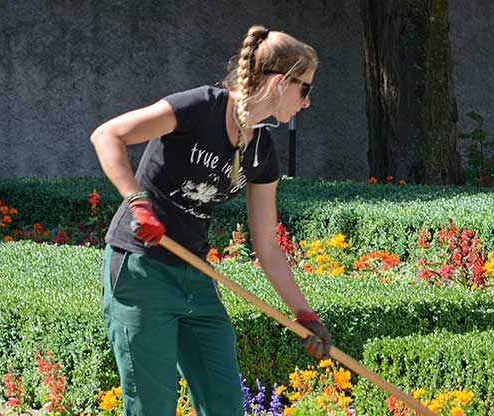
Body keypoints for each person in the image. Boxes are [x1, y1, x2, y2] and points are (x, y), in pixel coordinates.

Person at [89, 25, 330, 415]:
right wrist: (137, 202)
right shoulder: (200, 108)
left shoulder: (262, 151)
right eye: (306, 90)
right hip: (142, 271)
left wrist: (305, 314)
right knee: (152, 406)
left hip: (196, 278)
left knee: (225, 404)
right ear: (281, 82)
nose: (306, 103)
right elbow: (107, 135)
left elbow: (266, 246)